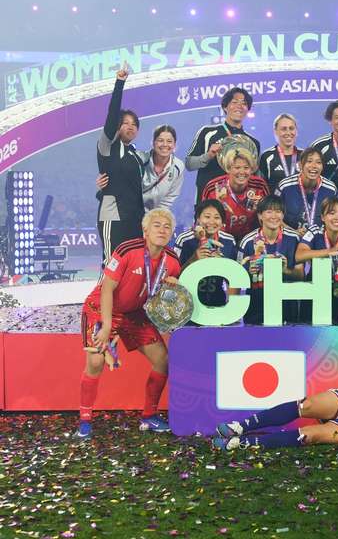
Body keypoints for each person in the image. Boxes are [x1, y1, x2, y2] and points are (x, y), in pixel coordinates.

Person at [77, 208, 181, 438]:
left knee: (163, 359)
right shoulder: (127, 250)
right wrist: (105, 326)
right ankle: (85, 419)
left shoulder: (172, 261)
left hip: (135, 314)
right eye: (157, 225)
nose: (162, 230)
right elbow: (107, 288)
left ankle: (149, 416)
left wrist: (172, 287)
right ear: (145, 230)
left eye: (167, 227)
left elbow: (163, 298)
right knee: (95, 360)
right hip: (102, 308)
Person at [96, 67, 144, 264]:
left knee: (131, 265)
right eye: (125, 122)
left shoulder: (138, 156)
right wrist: (119, 83)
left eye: (134, 124)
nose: (130, 126)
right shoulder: (107, 146)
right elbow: (112, 113)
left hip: (135, 217)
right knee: (112, 264)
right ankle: (100, 297)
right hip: (113, 215)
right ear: (117, 126)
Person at [96, 125, 184, 227]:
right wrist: (105, 182)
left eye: (169, 141)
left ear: (175, 145)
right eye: (160, 140)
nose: (165, 144)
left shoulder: (178, 167)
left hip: (150, 219)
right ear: (153, 143)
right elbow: (118, 173)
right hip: (125, 214)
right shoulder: (139, 159)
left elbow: (168, 199)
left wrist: (153, 221)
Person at [186, 87, 260, 205]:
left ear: (248, 110)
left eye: (244, 103)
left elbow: (255, 177)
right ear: (225, 107)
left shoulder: (252, 143)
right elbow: (189, 164)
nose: (239, 106)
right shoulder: (207, 133)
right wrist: (208, 156)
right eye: (234, 102)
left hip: (238, 206)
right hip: (208, 203)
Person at [237, 196, 303, 326]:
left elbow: (301, 275)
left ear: (283, 215)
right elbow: (237, 277)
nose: (274, 216)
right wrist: (249, 272)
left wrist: (285, 270)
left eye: (278, 211)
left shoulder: (294, 238)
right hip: (256, 306)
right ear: (260, 216)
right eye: (269, 211)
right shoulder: (248, 241)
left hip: (287, 307)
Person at [297, 198, 338, 323]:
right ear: (322, 217)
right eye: (332, 213)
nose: (337, 217)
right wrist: (330, 251)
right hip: (317, 294)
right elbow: (299, 255)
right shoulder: (315, 231)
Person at [173, 199, 238, 310]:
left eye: (217, 217)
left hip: (219, 301)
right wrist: (194, 258)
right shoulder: (184, 240)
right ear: (198, 219)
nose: (211, 222)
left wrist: (223, 263)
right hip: (188, 301)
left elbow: (236, 277)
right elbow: (174, 274)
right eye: (207, 217)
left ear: (222, 222)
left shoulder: (229, 241)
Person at [200, 146, 269, 241]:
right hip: (221, 239)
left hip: (252, 240)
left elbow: (269, 214)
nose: (242, 172)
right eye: (237, 167)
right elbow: (202, 219)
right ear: (228, 168)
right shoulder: (213, 187)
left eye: (246, 168)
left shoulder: (259, 186)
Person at [275, 147, 338, 233]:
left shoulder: (331, 189)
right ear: (300, 165)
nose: (314, 166)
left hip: (320, 240)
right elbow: (273, 217)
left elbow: (336, 219)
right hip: (290, 238)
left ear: (322, 167)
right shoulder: (285, 186)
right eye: (309, 161)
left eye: (318, 162)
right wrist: (294, 233)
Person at [258, 114, 300, 193]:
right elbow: (260, 187)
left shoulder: (304, 156)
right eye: (284, 129)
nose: (288, 132)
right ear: (275, 131)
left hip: (301, 204)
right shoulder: (266, 157)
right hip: (275, 204)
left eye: (291, 128)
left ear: (296, 131)